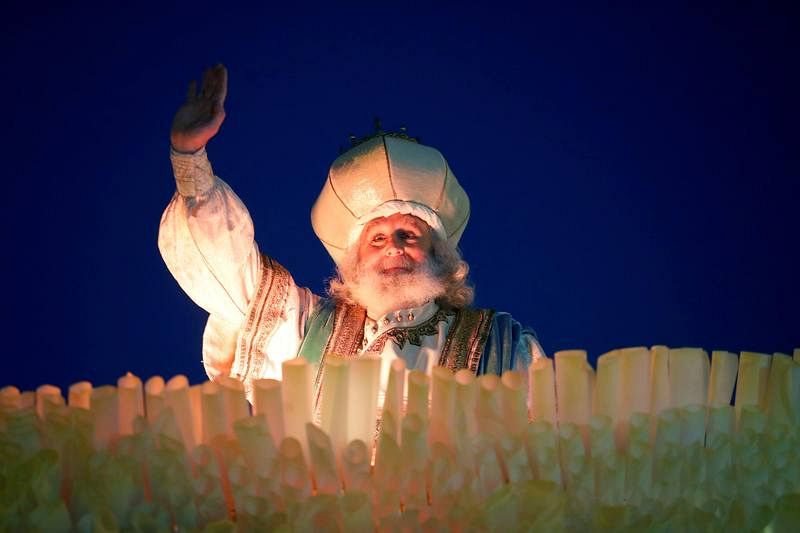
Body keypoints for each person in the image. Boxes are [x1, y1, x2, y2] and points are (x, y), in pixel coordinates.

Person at [158, 65, 546, 406]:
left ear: (440, 253)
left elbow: (553, 442)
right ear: (354, 261)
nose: (392, 246)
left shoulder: (500, 344)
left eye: (408, 234)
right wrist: (190, 157)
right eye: (376, 238)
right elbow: (226, 273)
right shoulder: (306, 330)